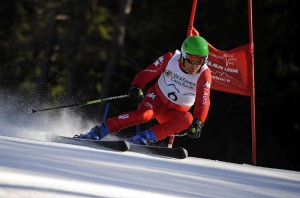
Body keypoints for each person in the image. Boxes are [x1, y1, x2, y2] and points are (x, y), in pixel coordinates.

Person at [79, 35, 212, 145]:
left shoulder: (204, 74)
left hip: (175, 113)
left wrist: (198, 122)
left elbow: (203, 101)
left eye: (200, 60)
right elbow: (147, 73)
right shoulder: (170, 58)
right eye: (192, 59)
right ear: (183, 55)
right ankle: (100, 130)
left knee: (187, 120)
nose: (195, 65)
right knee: (144, 115)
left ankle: (145, 138)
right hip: (157, 99)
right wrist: (136, 86)